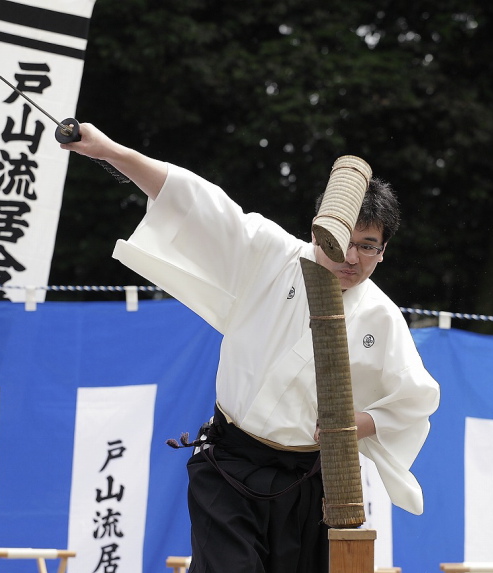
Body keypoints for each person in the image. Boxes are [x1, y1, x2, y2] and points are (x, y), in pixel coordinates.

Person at [61, 124, 440, 573]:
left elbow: (416, 400)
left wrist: (361, 422)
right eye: (342, 241)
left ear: (384, 251)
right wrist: (109, 150)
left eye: (367, 247)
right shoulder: (272, 254)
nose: (351, 257)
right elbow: (195, 202)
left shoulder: (381, 317)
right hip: (230, 464)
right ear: (317, 231)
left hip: (308, 483)